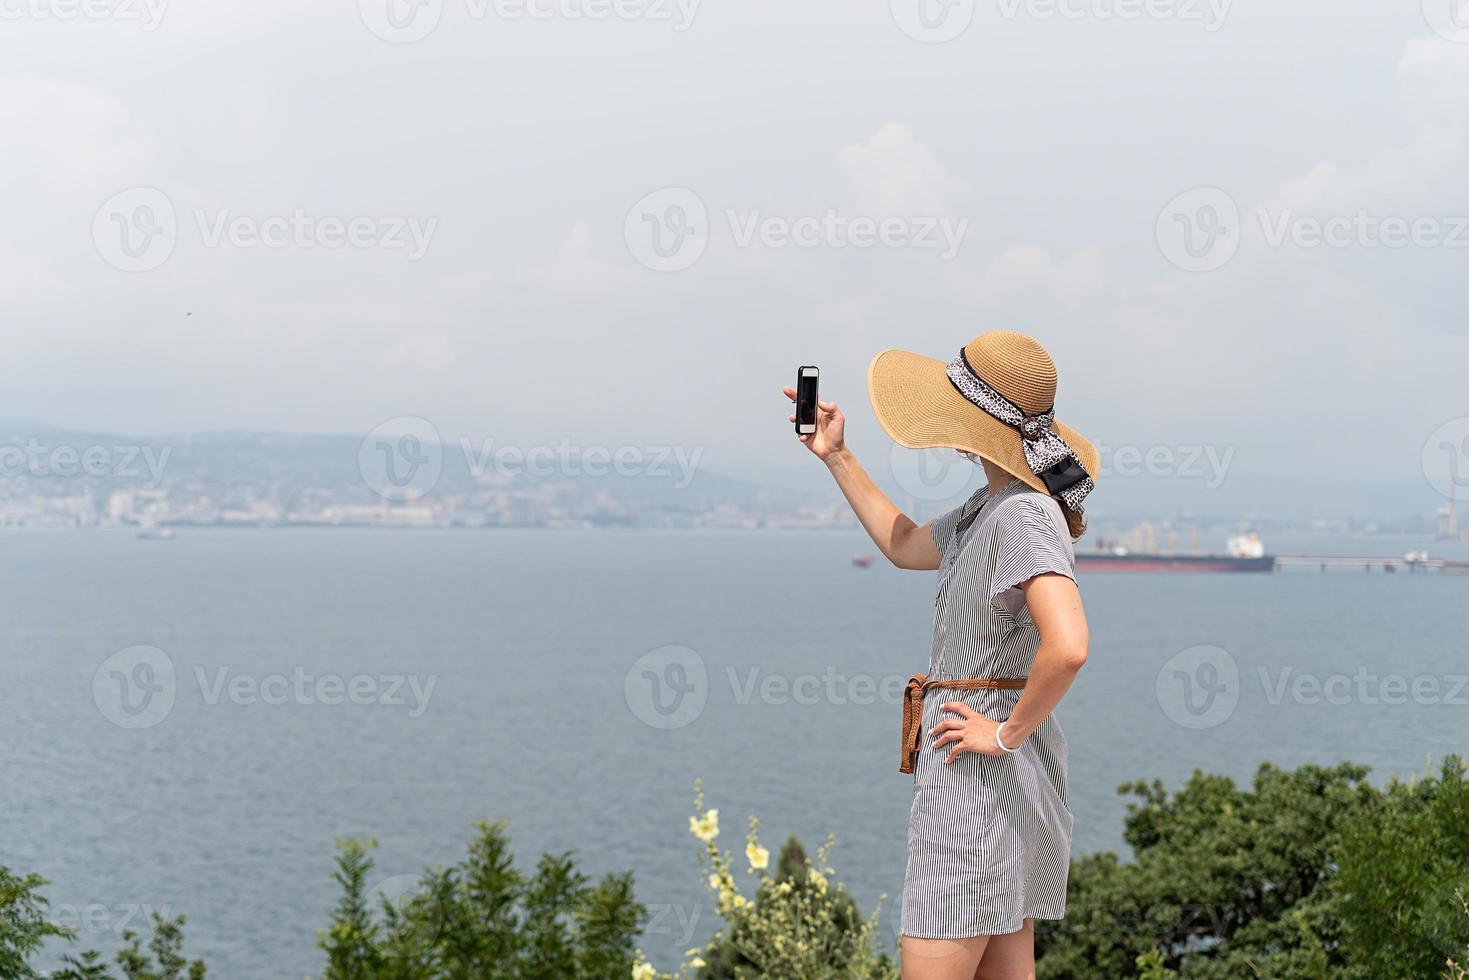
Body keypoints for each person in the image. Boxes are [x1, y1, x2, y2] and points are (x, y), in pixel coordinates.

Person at [784, 330, 1097, 980]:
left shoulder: (1021, 515)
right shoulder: (991, 506)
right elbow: (903, 545)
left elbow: (1068, 647)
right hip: (992, 781)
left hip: (974, 783)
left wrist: (1004, 734)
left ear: (978, 422)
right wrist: (836, 457)